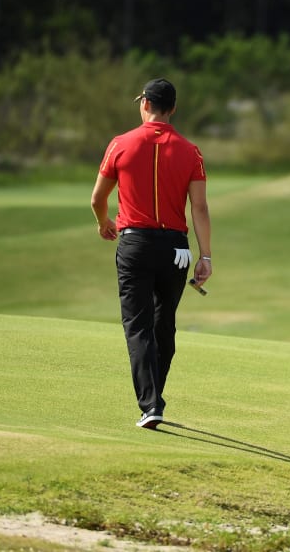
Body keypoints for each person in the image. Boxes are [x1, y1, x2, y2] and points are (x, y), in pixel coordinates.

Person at [90, 78, 212, 429]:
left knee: (138, 325)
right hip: (176, 249)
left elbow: (98, 198)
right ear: (172, 108)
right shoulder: (191, 152)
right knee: (164, 325)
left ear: (144, 103)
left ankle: (150, 404)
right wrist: (206, 257)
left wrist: (103, 223)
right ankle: (154, 397)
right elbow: (199, 209)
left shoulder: (120, 144)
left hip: (135, 244)